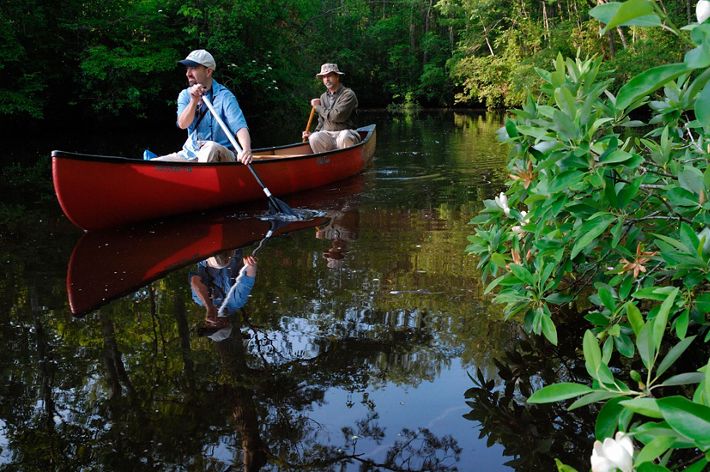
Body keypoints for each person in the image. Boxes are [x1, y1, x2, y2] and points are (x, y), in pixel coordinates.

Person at [153, 49, 253, 164]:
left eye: (193, 68)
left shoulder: (225, 96)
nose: (188, 73)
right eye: (187, 69)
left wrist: (246, 149)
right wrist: (193, 101)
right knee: (154, 163)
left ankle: (202, 177)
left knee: (210, 148)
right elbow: (182, 124)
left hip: (222, 153)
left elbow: (239, 126)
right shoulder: (185, 95)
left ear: (208, 71)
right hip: (191, 153)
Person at [190, 249, 258, 328]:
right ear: (226, 323)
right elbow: (248, 278)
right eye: (217, 325)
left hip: (206, 252)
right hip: (233, 249)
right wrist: (251, 265)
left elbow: (195, 280)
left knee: (218, 263)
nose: (214, 321)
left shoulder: (199, 300)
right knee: (220, 262)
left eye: (210, 324)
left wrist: (209, 306)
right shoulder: (237, 302)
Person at [301, 63, 360, 154]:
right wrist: (313, 133)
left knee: (345, 136)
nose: (326, 79)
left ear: (337, 77)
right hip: (328, 134)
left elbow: (337, 116)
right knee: (314, 137)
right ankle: (325, 163)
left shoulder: (348, 94)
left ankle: (346, 163)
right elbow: (321, 122)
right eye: (324, 77)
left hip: (346, 132)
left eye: (329, 76)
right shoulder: (323, 97)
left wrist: (318, 107)